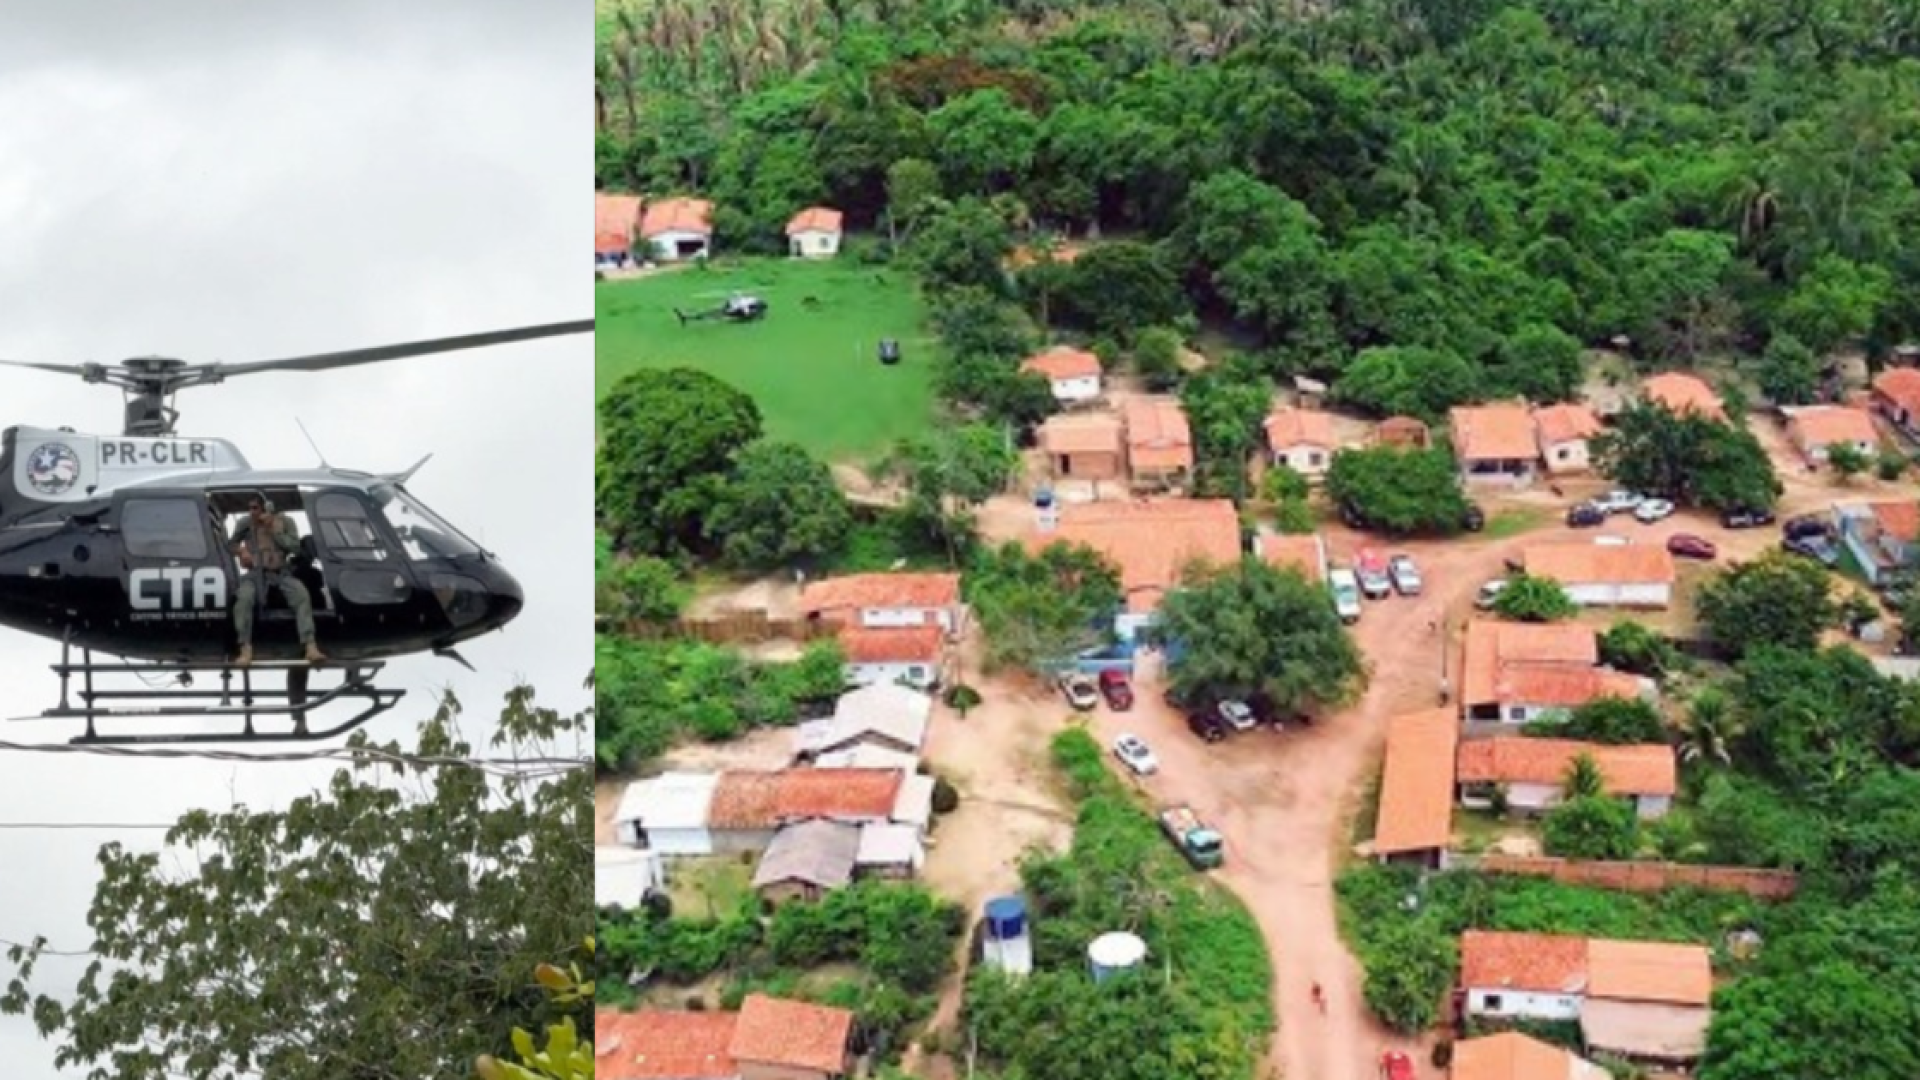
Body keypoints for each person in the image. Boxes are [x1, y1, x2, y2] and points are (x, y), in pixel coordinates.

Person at [229, 493, 325, 666]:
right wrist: (242, 552)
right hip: (255, 573)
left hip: (281, 572)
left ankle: (310, 645)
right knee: (244, 599)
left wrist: (275, 530)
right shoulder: (246, 523)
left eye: (255, 508)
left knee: (301, 595)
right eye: (250, 508)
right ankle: (245, 648)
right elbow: (230, 544)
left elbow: (295, 547)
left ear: (267, 508)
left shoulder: (285, 522)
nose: (252, 512)